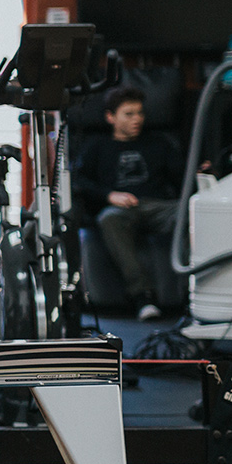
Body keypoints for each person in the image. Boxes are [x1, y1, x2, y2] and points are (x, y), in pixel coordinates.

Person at [72, 85, 182, 321]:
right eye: (129, 114)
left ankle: (194, 296)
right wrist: (109, 195)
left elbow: (182, 174)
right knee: (109, 218)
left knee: (195, 211)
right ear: (111, 117)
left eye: (140, 113)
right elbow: (78, 181)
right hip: (120, 211)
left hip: (158, 207)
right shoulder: (97, 147)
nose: (137, 119)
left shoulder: (159, 143)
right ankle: (143, 296)